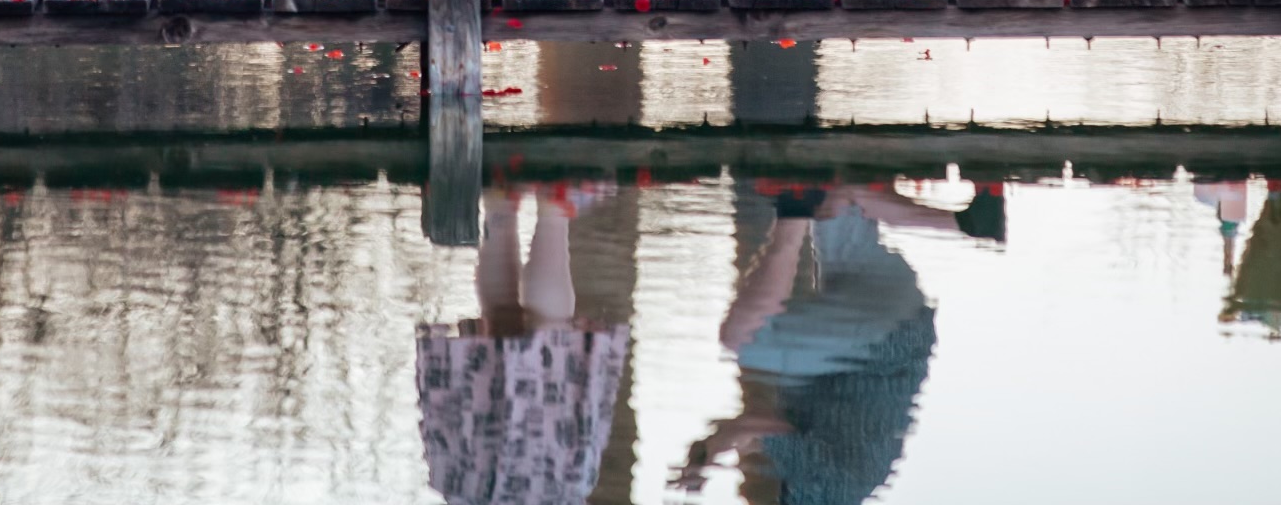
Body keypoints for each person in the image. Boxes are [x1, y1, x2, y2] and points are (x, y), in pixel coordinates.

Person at [675, 180, 996, 504]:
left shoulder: (844, 490)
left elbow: (764, 430)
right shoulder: (820, 498)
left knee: (835, 191)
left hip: (903, 324)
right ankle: (795, 205)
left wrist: (717, 450)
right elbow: (759, 424)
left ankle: (968, 224)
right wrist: (707, 455)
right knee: (744, 339)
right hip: (878, 346)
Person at [416, 184, 630, 505]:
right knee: (502, 331)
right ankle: (504, 205)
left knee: (549, 341)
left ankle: (550, 208)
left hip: (538, 488)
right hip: (476, 487)